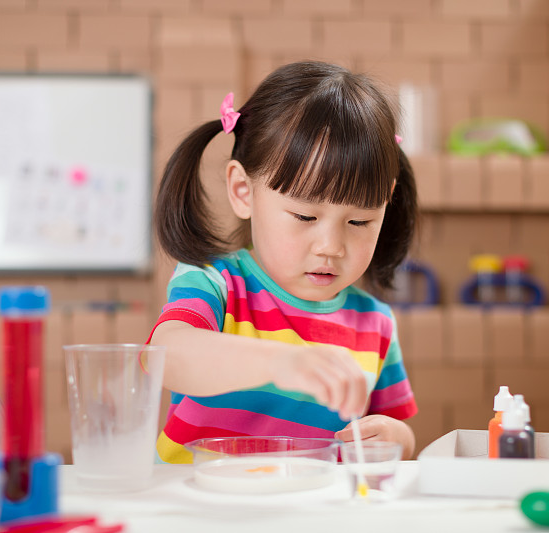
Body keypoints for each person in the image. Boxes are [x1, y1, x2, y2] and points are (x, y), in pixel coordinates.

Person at [149, 61, 419, 464]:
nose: (331, 246)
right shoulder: (216, 283)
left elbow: (391, 429)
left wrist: (398, 439)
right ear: (243, 190)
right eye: (305, 216)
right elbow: (165, 357)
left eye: (359, 221)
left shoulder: (375, 325)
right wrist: (280, 362)